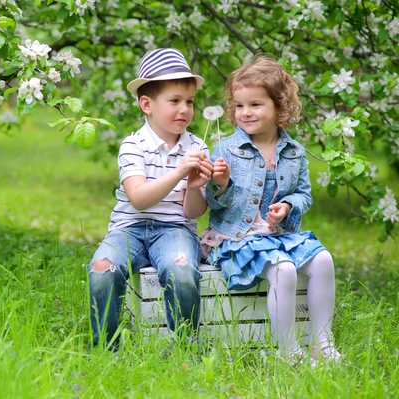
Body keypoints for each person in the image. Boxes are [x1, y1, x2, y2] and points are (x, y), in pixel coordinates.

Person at [202, 55, 341, 364]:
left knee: (323, 260)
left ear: (280, 107)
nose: (245, 112)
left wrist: (288, 205)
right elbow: (211, 203)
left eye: (255, 104)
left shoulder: (293, 152)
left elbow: (303, 194)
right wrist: (220, 184)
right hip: (237, 238)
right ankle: (288, 350)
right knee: (284, 269)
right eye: (239, 105)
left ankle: (322, 341)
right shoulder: (226, 149)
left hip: (277, 235)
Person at [88, 48, 213, 348]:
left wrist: (195, 185)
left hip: (174, 230)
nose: (184, 109)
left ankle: (185, 347)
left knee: (181, 269)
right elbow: (139, 198)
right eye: (174, 101)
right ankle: (106, 349)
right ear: (147, 104)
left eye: (190, 102)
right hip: (128, 229)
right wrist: (180, 171)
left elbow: (193, 213)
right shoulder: (133, 145)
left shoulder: (197, 147)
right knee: (102, 269)